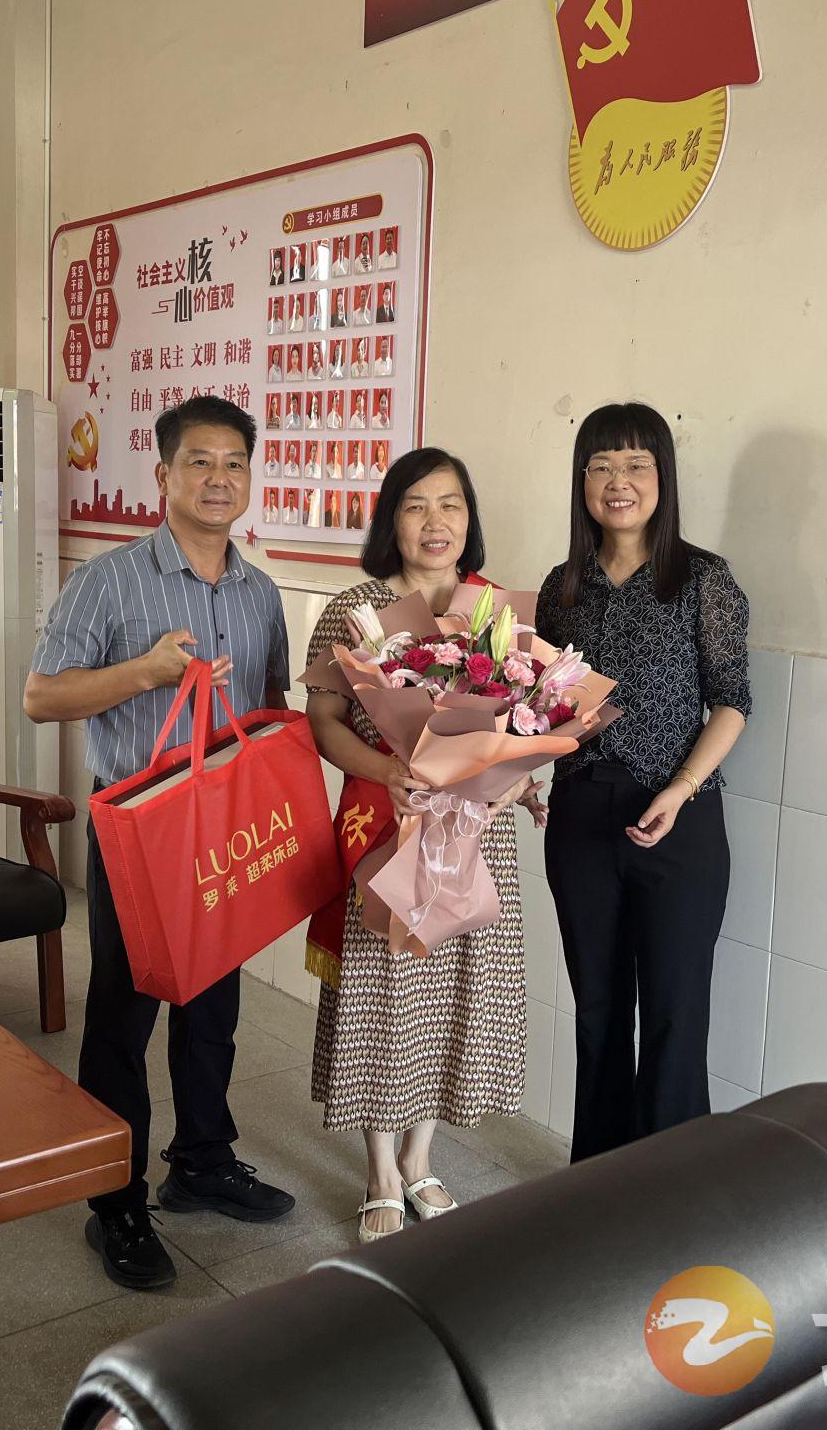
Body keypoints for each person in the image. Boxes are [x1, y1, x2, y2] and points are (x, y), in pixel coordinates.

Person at [24, 395, 298, 1291]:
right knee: (124, 1010)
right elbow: (42, 696)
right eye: (199, 463)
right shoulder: (109, 581)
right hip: (140, 828)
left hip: (224, 828)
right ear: (164, 476)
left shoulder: (260, 593)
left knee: (214, 1003)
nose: (219, 480)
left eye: (234, 464)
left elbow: (269, 708)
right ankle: (115, 1201)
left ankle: (202, 1161)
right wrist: (145, 671)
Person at [304, 448, 534, 1240]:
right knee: (384, 991)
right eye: (416, 505)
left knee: (452, 989)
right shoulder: (356, 610)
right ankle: (378, 1170)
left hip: (473, 835)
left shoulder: (496, 611)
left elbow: (529, 720)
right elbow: (324, 720)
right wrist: (387, 770)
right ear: (391, 520)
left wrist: (519, 777)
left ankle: (419, 1158)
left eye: (451, 505)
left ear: (469, 519)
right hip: (388, 824)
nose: (436, 522)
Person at [535, 402, 751, 1164]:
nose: (617, 482)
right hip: (582, 815)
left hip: (680, 818)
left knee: (674, 1014)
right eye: (600, 466)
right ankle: (596, 1182)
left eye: (635, 464)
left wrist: (681, 787)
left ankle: (670, 1190)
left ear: (662, 476)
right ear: (582, 481)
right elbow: (541, 709)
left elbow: (733, 701)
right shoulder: (563, 587)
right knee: (598, 1011)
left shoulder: (701, 579)